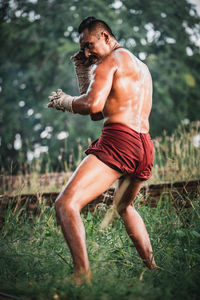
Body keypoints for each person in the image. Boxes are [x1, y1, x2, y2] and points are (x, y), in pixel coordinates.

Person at [48, 16, 157, 284]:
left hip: (120, 140)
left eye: (89, 45)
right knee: (124, 206)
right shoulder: (139, 66)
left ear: (106, 37)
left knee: (66, 204)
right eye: (83, 49)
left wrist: (66, 101)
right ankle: (153, 269)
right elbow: (100, 112)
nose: (86, 53)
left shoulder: (109, 61)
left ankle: (81, 276)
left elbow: (93, 106)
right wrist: (85, 75)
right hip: (144, 146)